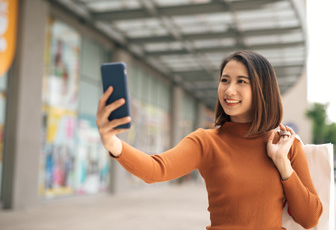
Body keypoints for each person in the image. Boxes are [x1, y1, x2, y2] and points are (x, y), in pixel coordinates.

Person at [96, 50, 323, 229]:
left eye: (241, 81)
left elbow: (310, 218)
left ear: (263, 89)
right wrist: (112, 143)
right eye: (224, 80)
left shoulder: (286, 144)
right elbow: (156, 169)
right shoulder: (206, 142)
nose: (229, 90)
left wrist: (283, 165)